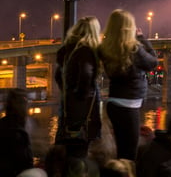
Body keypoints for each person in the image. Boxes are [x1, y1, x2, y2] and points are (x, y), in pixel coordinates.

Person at [99, 9, 158, 161]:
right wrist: (142, 38)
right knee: (129, 154)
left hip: (114, 103)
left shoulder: (105, 48)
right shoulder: (133, 49)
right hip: (128, 106)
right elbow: (152, 62)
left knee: (122, 150)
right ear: (129, 27)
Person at [54, 16, 102, 158]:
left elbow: (58, 75)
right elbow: (86, 74)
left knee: (68, 143)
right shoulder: (85, 51)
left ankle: (67, 174)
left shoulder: (66, 50)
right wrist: (82, 95)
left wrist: (66, 91)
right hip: (83, 109)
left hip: (68, 105)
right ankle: (77, 176)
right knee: (81, 146)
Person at [0, 88, 33, 177]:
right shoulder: (16, 131)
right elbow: (24, 162)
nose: (26, 105)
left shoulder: (11, 126)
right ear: (14, 104)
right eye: (23, 101)